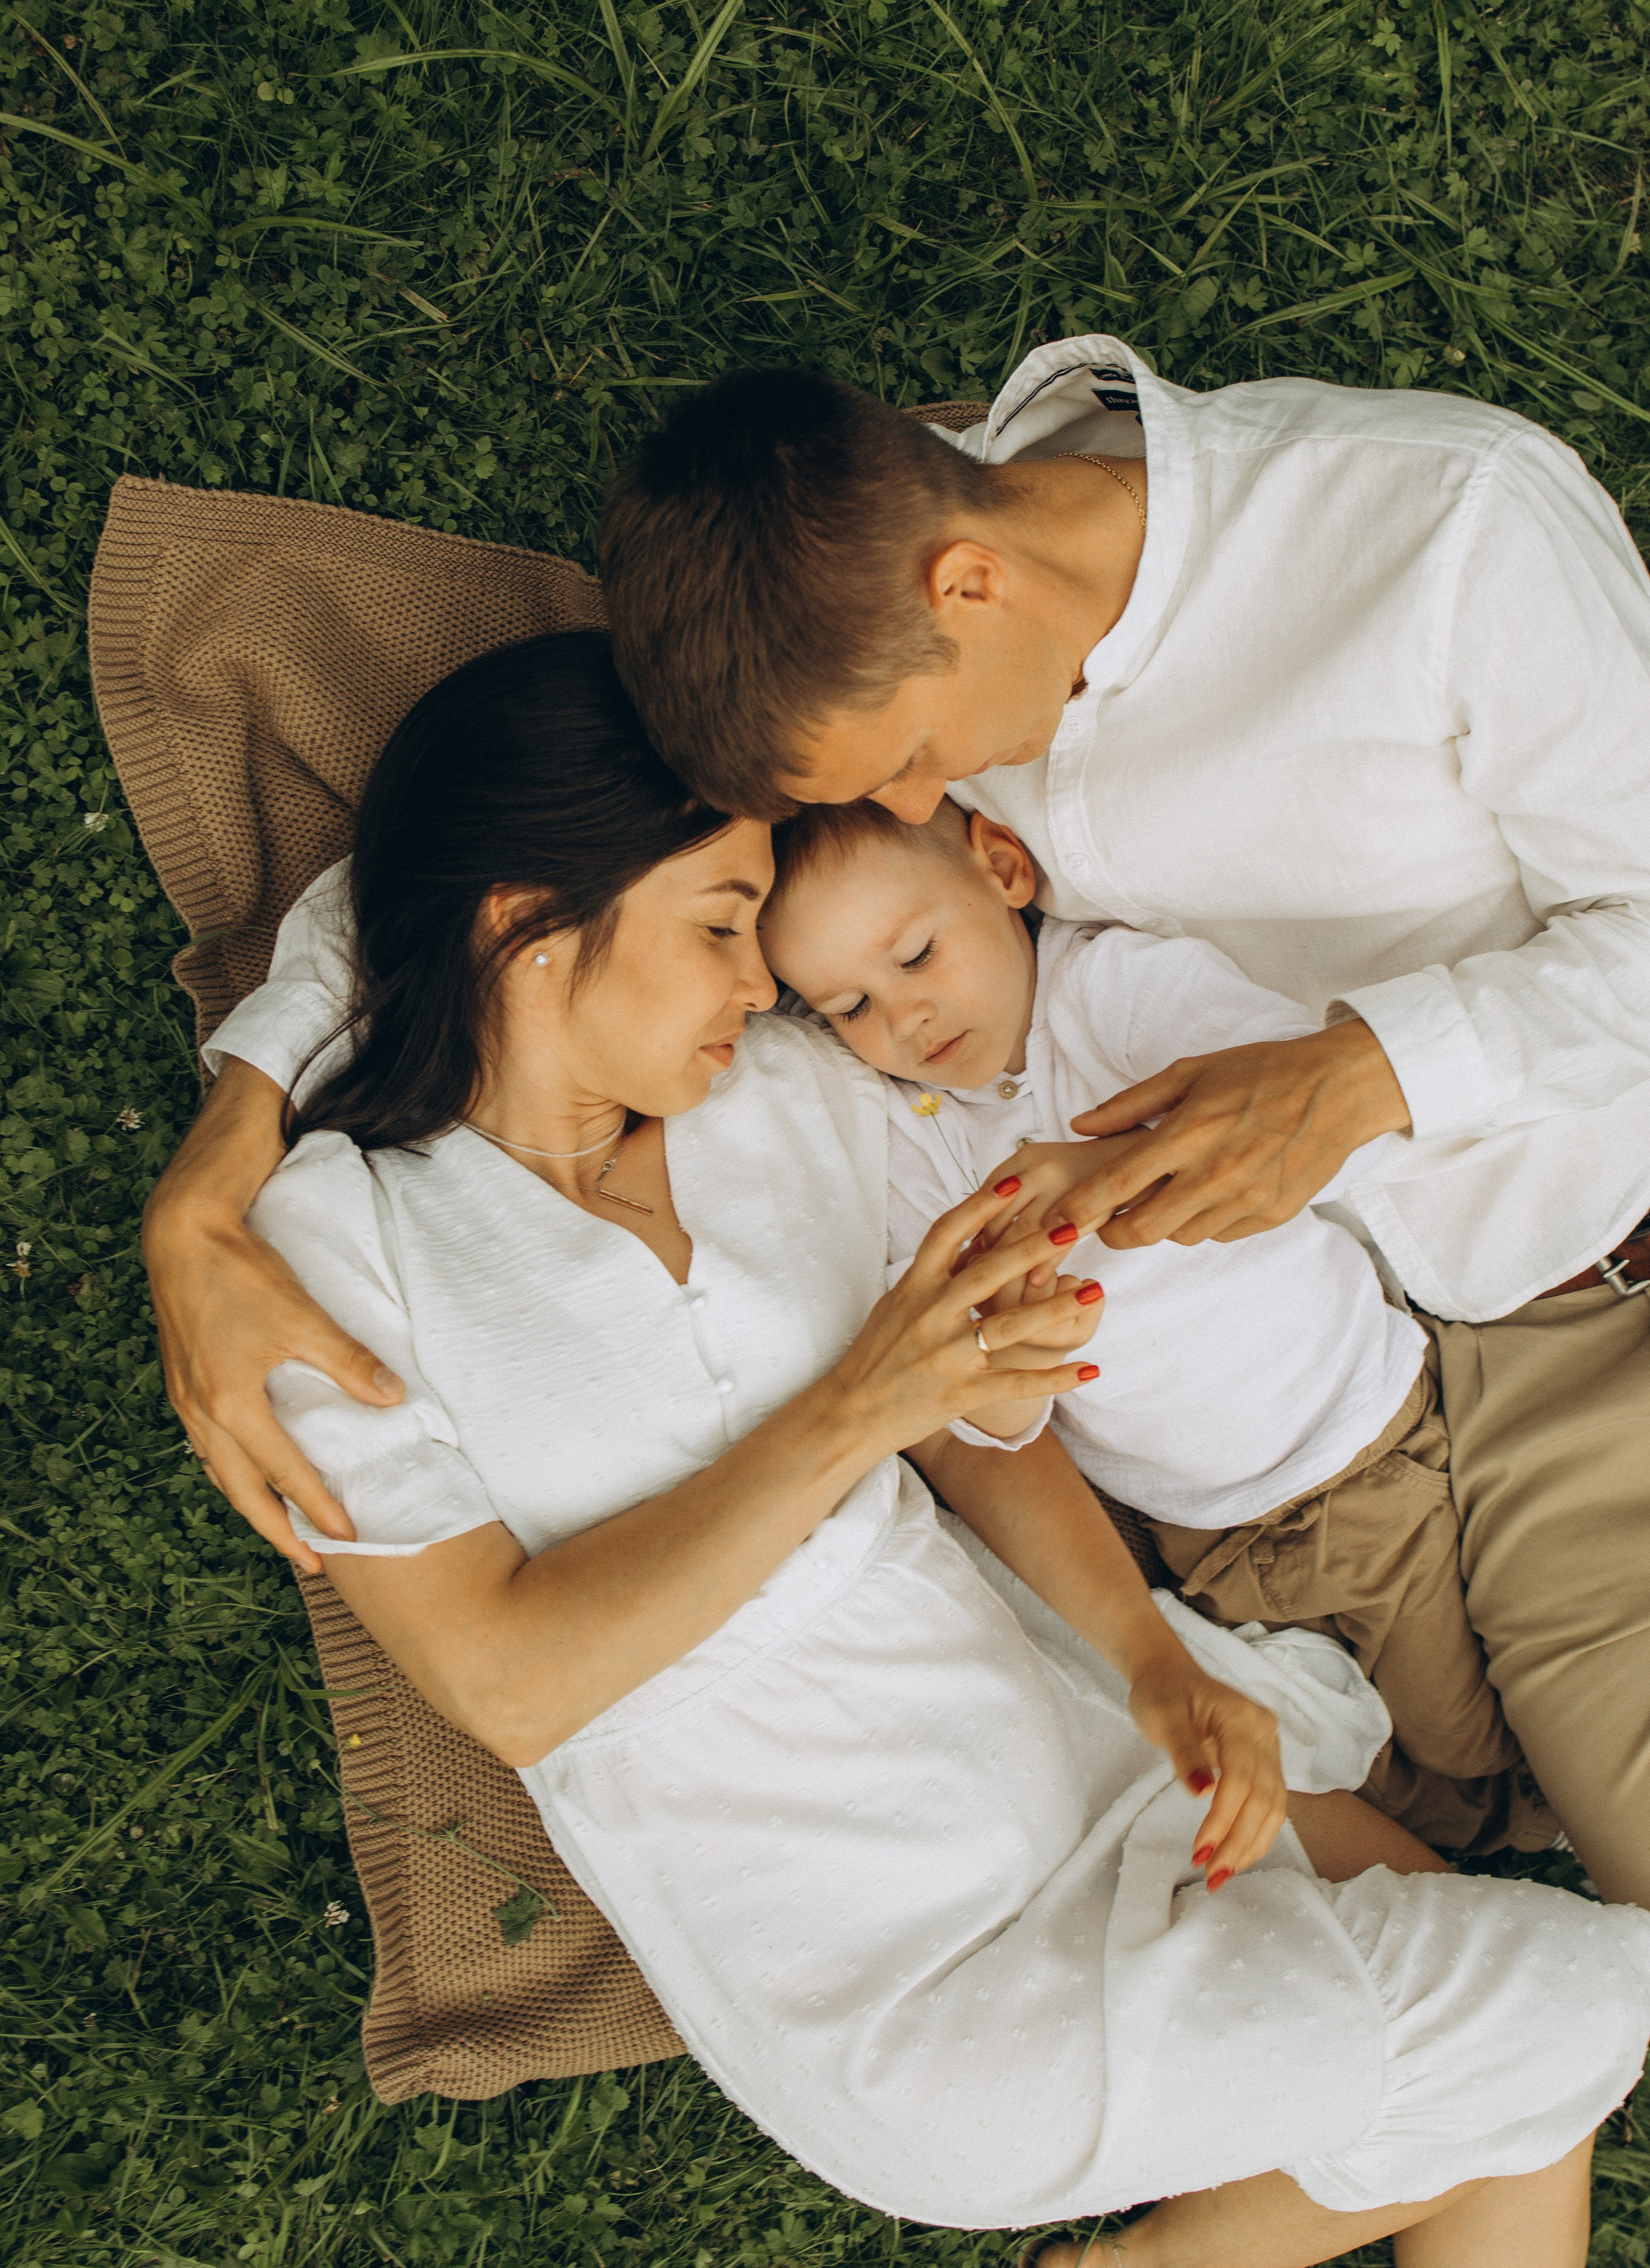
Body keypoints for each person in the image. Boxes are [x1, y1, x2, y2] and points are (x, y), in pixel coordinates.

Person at [219, 630, 1650, 2256]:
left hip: (1089, 1771)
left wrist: (1145, 1660)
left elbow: (971, 1430)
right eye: (719, 929)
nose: (763, 987)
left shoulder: (783, 1096)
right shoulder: (335, 1244)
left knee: (1511, 2062)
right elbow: (511, 1682)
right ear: (529, 930)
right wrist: (858, 1406)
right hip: (905, 1981)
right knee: (1588, 2006)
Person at [588, 338, 1650, 1908]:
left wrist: (1365, 1071)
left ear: (969, 585)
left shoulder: (1446, 532)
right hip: (1336, 1442)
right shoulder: (893, 637)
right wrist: (238, 1128)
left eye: (910, 763)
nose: (912, 811)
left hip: (1566, 1306)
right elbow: (505, 851)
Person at [759, 792, 1558, 1859]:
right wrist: (1015, 1354)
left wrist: (1110, 1176)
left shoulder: (1114, 991)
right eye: (848, 1007)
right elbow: (987, 1409)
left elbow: (1305, 1117)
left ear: (1001, 869)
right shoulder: (908, 1140)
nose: (901, 1021)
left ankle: (1536, 1823)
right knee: (1380, 1777)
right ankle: (1484, 1833)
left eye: (914, 956)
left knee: (1468, 1751)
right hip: (1203, 1537)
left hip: (1354, 1456)